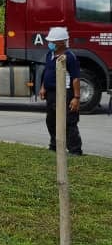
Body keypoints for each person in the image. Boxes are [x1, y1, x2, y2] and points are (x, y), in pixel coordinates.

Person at [38, 27, 83, 155]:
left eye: (53, 41)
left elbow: (75, 78)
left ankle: (75, 150)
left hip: (66, 93)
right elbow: (47, 71)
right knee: (51, 120)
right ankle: (55, 145)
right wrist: (43, 87)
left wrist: (76, 97)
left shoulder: (69, 57)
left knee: (69, 122)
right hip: (51, 94)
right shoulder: (49, 54)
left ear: (62, 42)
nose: (50, 43)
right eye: (50, 41)